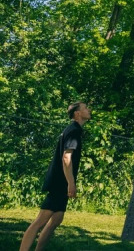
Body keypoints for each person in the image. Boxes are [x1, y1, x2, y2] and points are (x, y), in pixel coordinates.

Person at [20, 102, 92, 251]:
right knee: (40, 221)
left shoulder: (73, 129)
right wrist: (71, 183)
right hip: (60, 182)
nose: (89, 110)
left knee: (56, 220)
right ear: (77, 113)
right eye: (85, 108)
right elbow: (66, 158)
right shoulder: (74, 131)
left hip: (61, 182)